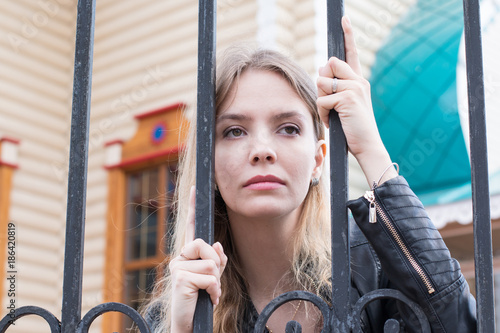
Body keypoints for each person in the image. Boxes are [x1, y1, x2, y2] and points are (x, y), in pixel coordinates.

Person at [143, 16, 476, 332]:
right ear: (208, 165)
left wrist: (370, 148)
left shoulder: (374, 267)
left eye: (288, 128)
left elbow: (460, 323)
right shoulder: (176, 308)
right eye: (233, 131)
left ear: (318, 160)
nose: (262, 149)